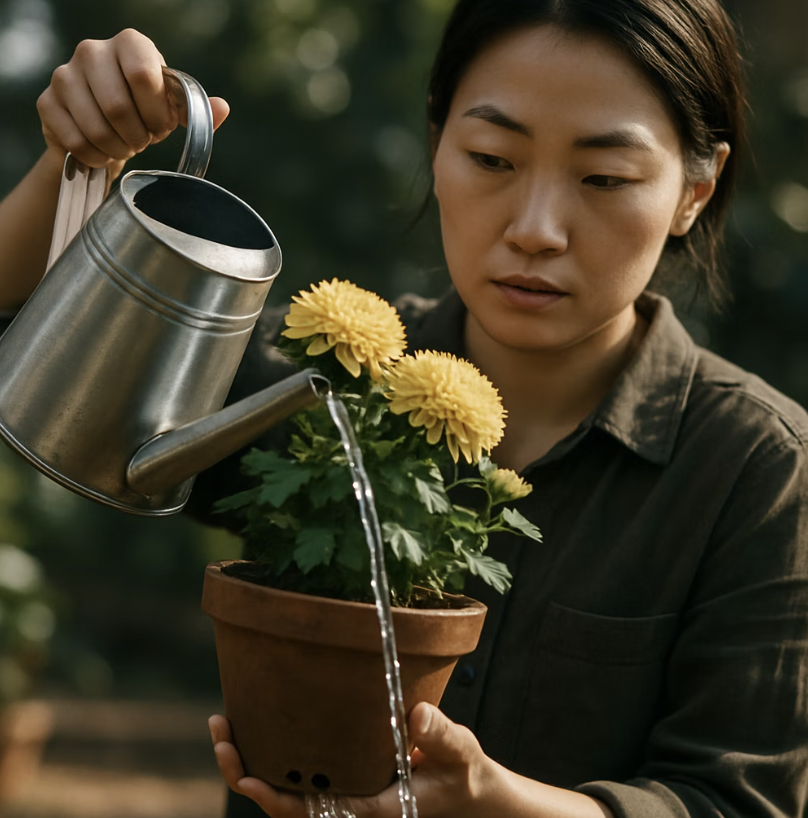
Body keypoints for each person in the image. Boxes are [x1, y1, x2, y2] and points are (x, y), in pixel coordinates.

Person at [1, 1, 808, 817]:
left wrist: (499, 805)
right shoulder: (322, 388)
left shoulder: (757, 469)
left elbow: (739, 799)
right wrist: (76, 162)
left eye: (604, 178)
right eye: (492, 158)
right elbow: (38, 352)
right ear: (437, 144)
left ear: (694, 191)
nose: (535, 230)